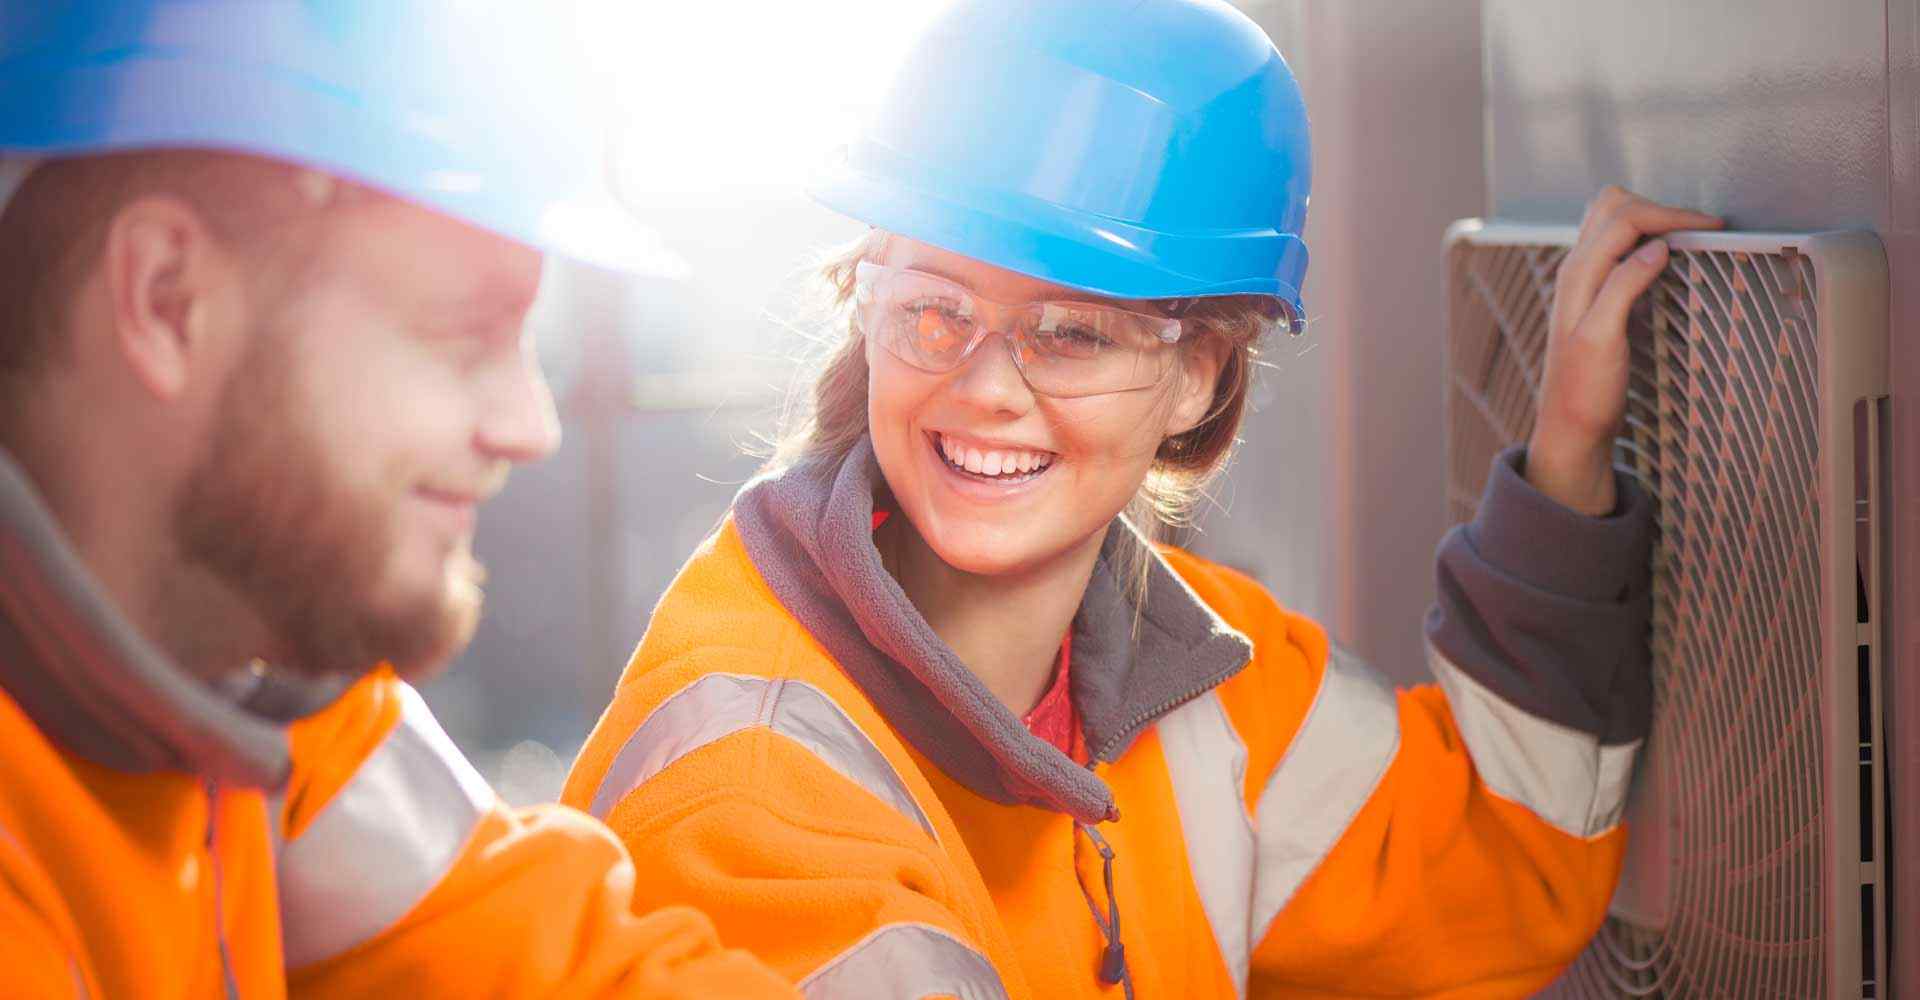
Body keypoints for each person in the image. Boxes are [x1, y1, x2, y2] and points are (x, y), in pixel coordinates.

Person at [562, 1, 1722, 997]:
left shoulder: (1204, 682)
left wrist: (1569, 452)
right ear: (867, 305)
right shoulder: (748, 781)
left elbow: (1499, 861)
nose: (985, 389)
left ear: (1199, 374)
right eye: (934, 307)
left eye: (1070, 331)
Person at [0, 4, 798, 997]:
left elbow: (562, 965)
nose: (531, 426)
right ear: (168, 298)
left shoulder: (257, 686)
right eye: (464, 333)